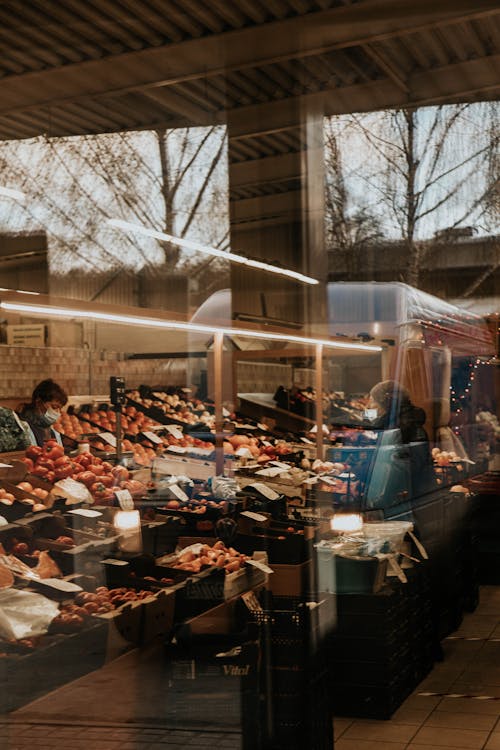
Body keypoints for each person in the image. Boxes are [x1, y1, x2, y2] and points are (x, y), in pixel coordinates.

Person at [18, 379, 68, 447]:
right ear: (38, 403)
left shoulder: (54, 433)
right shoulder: (23, 430)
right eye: (54, 407)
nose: (57, 412)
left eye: (60, 409)